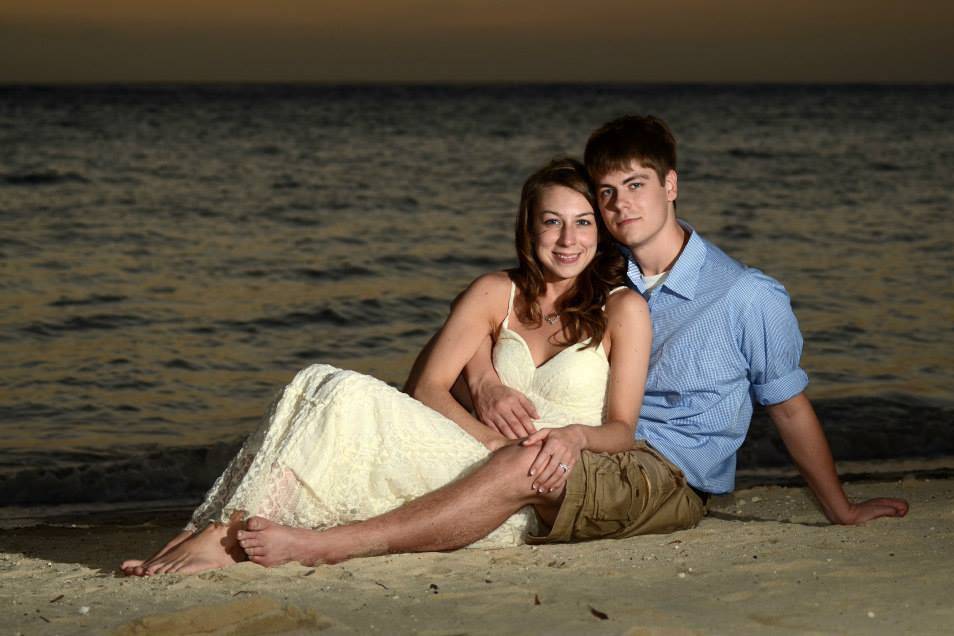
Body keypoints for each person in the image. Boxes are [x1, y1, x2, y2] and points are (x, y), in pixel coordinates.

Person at [219, 115, 908, 569]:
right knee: (349, 395)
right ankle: (224, 534)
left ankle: (325, 548)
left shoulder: (747, 296)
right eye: (607, 194)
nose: (619, 207)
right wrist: (487, 379)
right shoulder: (605, 273)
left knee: (530, 459)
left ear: (671, 185)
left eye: (636, 186)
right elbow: (475, 332)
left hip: (664, 476)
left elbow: (789, 409)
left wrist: (841, 511)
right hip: (586, 450)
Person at [121, 157, 672, 576]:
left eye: (582, 223)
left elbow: (622, 430)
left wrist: (572, 438)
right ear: (529, 229)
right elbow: (426, 388)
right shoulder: (494, 292)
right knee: (327, 384)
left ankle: (227, 541)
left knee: (341, 402)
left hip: (535, 481)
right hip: (470, 452)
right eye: (552, 222)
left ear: (600, 233)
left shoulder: (622, 309)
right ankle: (228, 531)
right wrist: (488, 438)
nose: (568, 239)